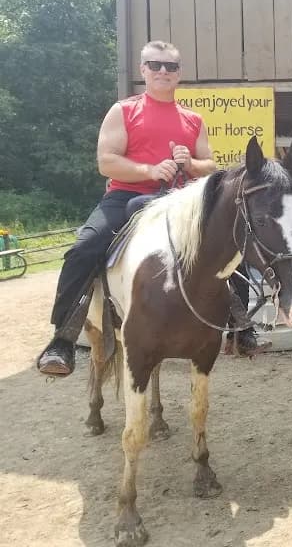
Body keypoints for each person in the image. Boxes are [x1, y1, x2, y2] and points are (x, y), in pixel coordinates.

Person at [37, 40, 218, 377]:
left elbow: (210, 164)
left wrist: (190, 162)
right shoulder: (124, 110)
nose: (163, 71)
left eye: (171, 66)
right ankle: (62, 337)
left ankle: (240, 325)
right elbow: (106, 162)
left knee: (226, 239)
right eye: (155, 64)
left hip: (178, 203)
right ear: (143, 70)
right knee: (84, 247)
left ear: (179, 74)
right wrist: (149, 171)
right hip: (125, 197)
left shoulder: (193, 119)